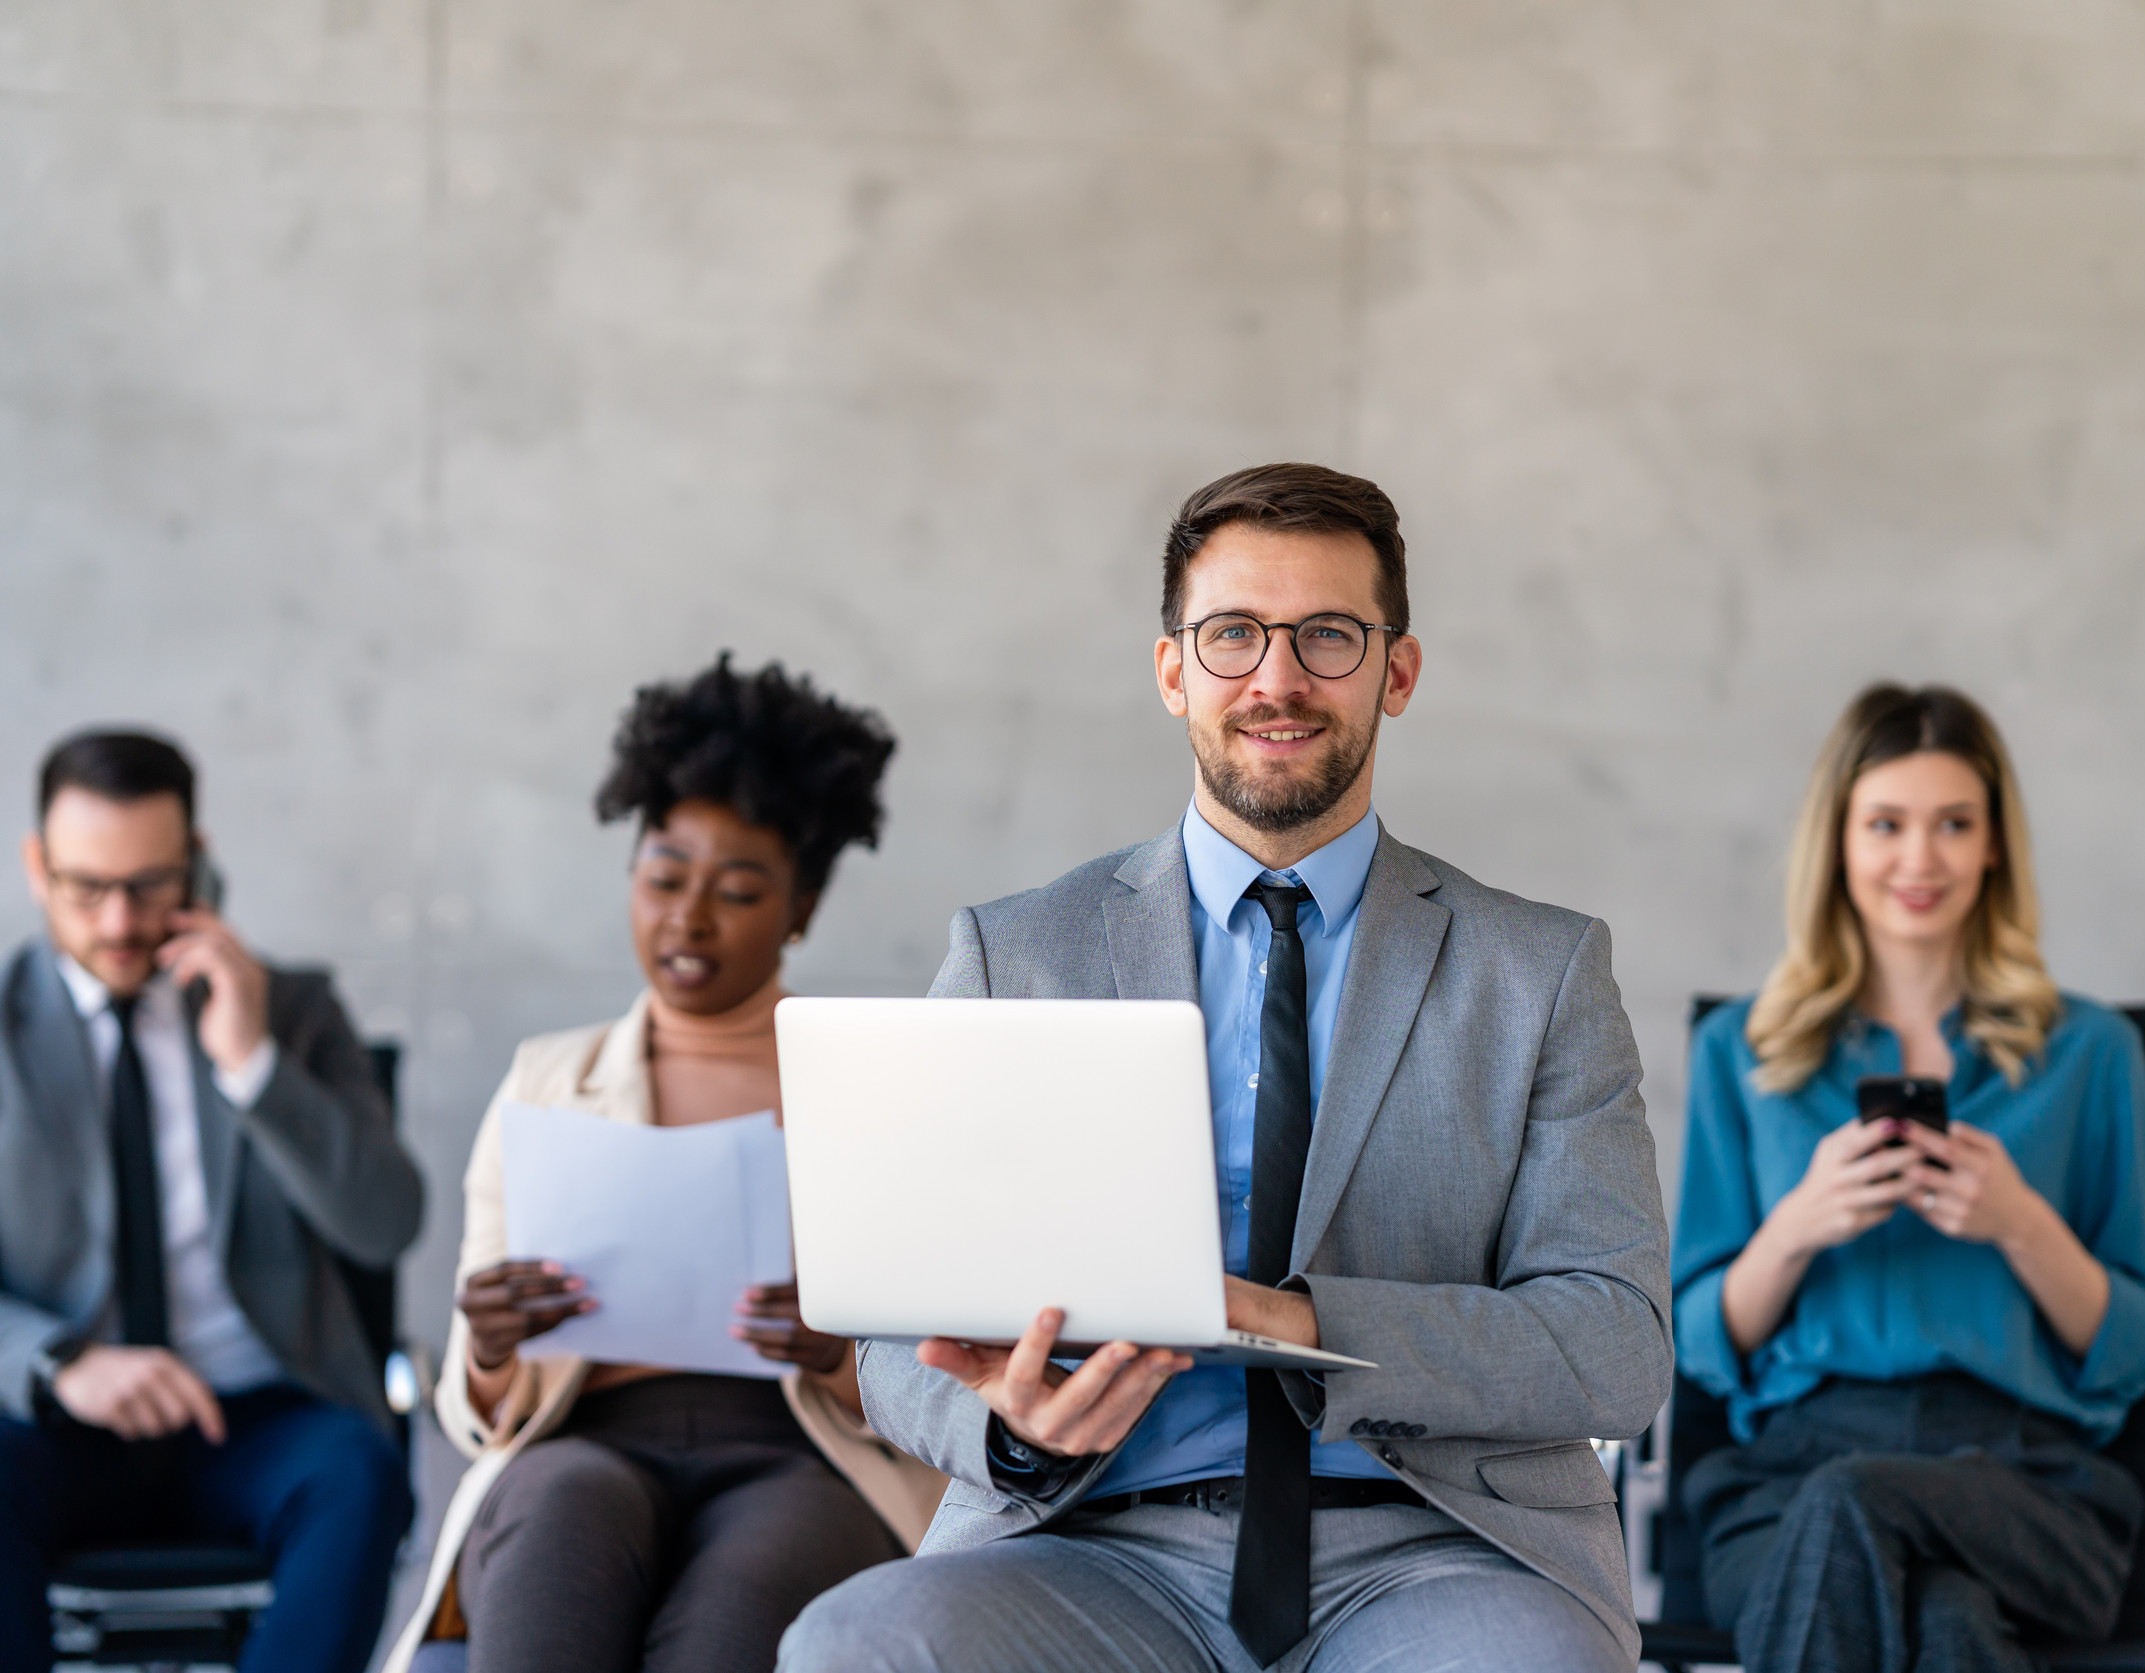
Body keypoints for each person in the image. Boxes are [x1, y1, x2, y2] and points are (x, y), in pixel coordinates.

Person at [776, 462, 1671, 1673]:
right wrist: (1015, 1429)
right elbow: (894, 1338)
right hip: (1090, 1541)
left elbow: (1615, 1344)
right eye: (1234, 633)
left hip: (1438, 1549)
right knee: (853, 1646)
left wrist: (1300, 1321)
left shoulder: (1544, 971)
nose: (1278, 677)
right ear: (1172, 669)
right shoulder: (1014, 952)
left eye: (1329, 636)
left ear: (1398, 671)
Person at [383, 657, 946, 1673]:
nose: (687, 918)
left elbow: (951, 1370)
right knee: (556, 1521)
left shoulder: (873, 1089)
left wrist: (836, 1353)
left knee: (743, 1605)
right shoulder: (545, 1080)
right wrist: (491, 1344)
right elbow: (481, 1413)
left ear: (803, 908)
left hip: (800, 1448)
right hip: (584, 1434)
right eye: (662, 876)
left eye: (736, 891)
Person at [1670, 683, 2145, 1673]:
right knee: (1941, 1619)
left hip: (2027, 1482)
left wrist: (2022, 1221)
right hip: (1786, 1474)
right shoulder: (1747, 1052)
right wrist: (1798, 1225)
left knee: (1857, 1501)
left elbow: (2135, 1348)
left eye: (1954, 823)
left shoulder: (2092, 1053)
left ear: (1994, 845)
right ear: (1839, 842)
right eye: (1887, 822)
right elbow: (1697, 1342)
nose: (1919, 857)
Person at [0, 729, 422, 1673]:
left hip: (256, 1414)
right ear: (36, 866)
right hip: (54, 1422)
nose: (118, 922)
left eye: (149, 884)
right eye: (85, 887)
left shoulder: (294, 1010)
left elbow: (388, 1221)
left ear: (199, 864)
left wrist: (254, 1063)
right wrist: (64, 1363)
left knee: (361, 1470)